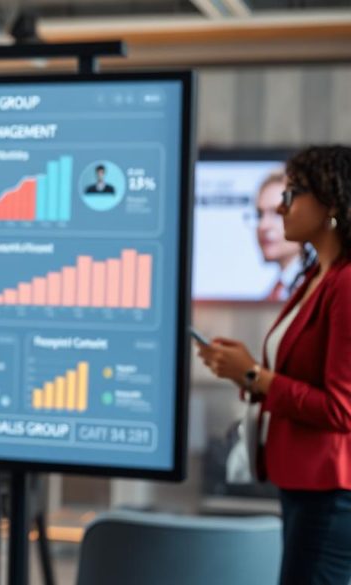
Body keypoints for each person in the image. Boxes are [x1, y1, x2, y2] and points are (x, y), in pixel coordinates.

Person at [197, 145, 351, 585]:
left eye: (294, 194)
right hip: (303, 484)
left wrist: (253, 374)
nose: (283, 207)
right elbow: (298, 378)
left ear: (332, 204)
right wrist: (242, 371)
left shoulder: (345, 283)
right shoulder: (313, 277)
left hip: (331, 489)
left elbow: (341, 409)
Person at [255, 169, 304, 301]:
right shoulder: (277, 290)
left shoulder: (318, 287)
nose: (263, 225)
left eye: (277, 213)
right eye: (260, 214)